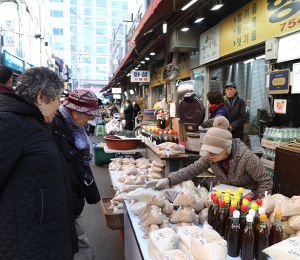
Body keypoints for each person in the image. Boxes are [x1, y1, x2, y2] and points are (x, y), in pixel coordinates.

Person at [0, 67, 78, 259]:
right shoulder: (10, 121)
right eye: (58, 100)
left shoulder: (33, 121)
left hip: (44, 235)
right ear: (41, 97)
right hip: (28, 241)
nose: (59, 107)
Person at [146, 116, 272, 199]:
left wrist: (258, 203)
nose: (210, 155)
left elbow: (265, 181)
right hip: (224, 198)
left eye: (214, 152)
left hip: (246, 201)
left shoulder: (246, 158)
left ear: (226, 149)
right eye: (208, 151)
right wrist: (168, 180)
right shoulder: (210, 157)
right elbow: (192, 170)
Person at [49, 89, 101, 260]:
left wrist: (93, 195)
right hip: (62, 199)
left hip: (73, 196)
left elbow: (81, 165)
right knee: (76, 240)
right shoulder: (53, 126)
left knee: (78, 237)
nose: (90, 119)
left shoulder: (75, 128)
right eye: (88, 115)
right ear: (75, 111)